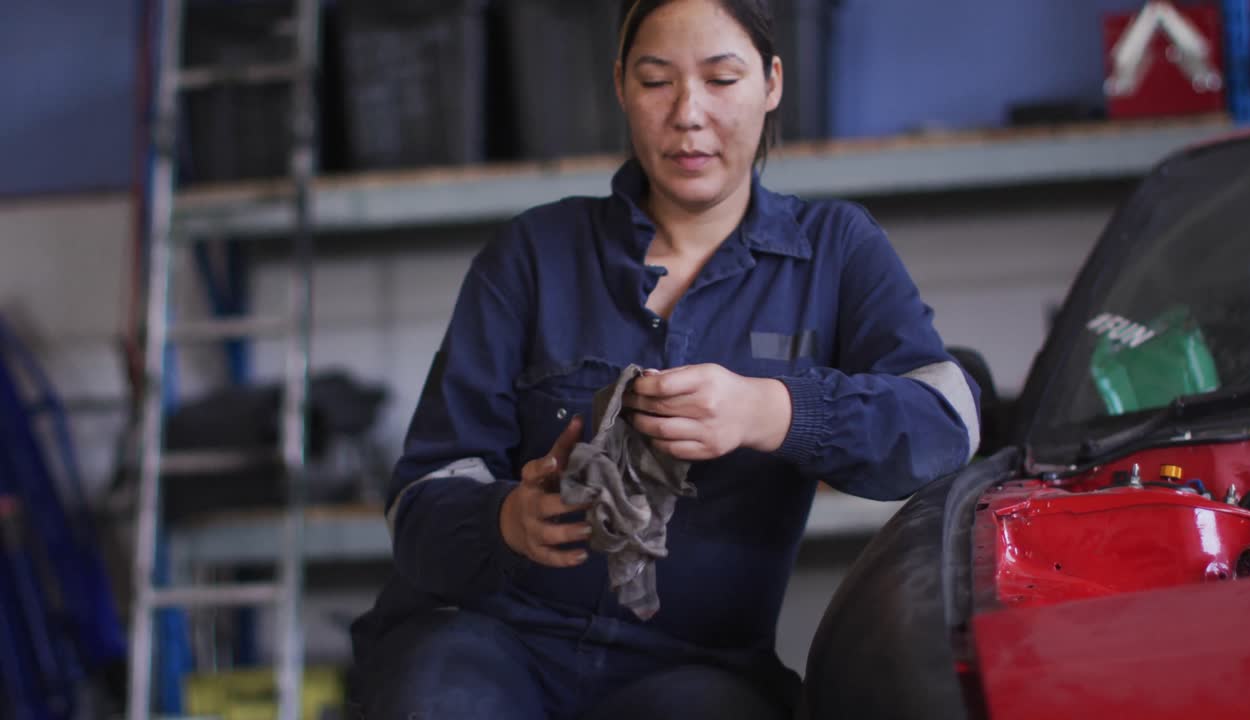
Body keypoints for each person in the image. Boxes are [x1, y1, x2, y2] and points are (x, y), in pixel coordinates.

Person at [348, 0, 980, 718]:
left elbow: (945, 423)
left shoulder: (835, 252)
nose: (688, 113)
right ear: (619, 85)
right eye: (656, 81)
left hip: (695, 668)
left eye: (721, 78)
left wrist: (772, 410)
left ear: (771, 83)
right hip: (488, 640)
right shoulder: (533, 254)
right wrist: (506, 518)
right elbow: (419, 498)